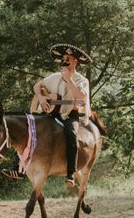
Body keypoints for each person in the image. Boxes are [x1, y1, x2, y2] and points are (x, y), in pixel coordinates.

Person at [33, 44, 92, 187]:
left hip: (70, 115)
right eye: (64, 58)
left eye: (69, 59)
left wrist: (69, 80)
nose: (65, 61)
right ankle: (19, 167)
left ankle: (70, 173)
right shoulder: (55, 77)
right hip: (54, 113)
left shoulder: (82, 80)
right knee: (31, 126)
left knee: (71, 134)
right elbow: (36, 86)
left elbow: (81, 98)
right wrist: (40, 97)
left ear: (75, 62)